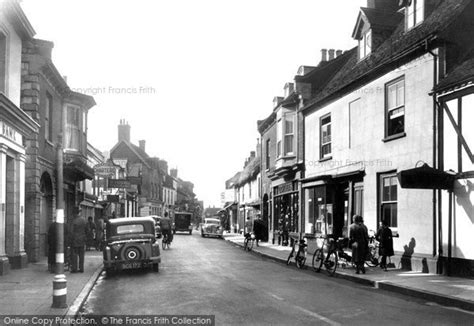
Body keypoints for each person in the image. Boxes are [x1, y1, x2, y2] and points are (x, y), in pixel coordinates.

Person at [69, 207, 87, 273]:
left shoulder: (73, 221)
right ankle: (81, 268)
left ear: (74, 213)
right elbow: (86, 230)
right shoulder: (84, 220)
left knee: (74, 255)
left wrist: (70, 239)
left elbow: (71, 231)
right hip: (82, 239)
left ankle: (74, 268)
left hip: (75, 240)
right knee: (81, 255)